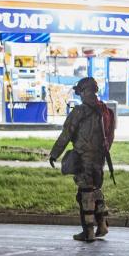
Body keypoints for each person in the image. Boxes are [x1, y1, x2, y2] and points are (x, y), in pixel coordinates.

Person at [49, 77, 116, 242]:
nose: (79, 96)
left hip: (83, 158)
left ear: (85, 92)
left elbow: (66, 134)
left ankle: (88, 232)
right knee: (96, 191)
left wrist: (54, 154)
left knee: (85, 194)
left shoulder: (80, 111)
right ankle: (102, 225)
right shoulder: (107, 111)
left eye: (80, 92)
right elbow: (110, 136)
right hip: (100, 158)